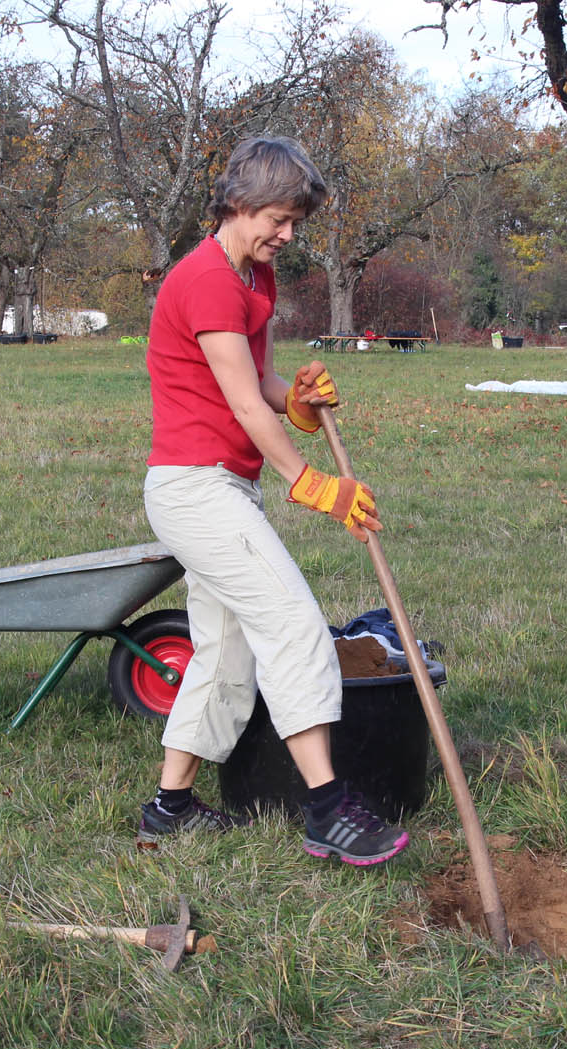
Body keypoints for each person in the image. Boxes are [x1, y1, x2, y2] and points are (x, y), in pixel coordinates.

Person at [138, 135, 408, 867]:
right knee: (293, 625)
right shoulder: (207, 280)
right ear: (241, 202)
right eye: (280, 220)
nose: (288, 236)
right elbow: (242, 409)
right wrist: (309, 480)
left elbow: (257, 393)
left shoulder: (253, 279)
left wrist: (296, 400)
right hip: (196, 489)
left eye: (294, 224)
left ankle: (169, 808)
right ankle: (328, 809)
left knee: (225, 652)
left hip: (222, 484)